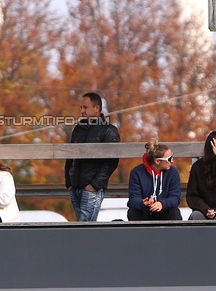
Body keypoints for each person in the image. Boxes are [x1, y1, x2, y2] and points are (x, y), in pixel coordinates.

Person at [65, 92, 121, 222]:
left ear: (97, 108)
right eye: (81, 108)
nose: (82, 111)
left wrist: (94, 185)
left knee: (86, 229)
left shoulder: (109, 130)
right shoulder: (78, 129)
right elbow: (69, 155)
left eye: (85, 107)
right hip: (76, 187)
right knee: (81, 228)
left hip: (91, 189)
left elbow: (111, 162)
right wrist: (69, 182)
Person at [127, 141, 182, 221]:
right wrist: (144, 203)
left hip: (164, 210)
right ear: (157, 161)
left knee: (174, 212)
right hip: (144, 211)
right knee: (134, 212)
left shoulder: (172, 173)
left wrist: (162, 204)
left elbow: (175, 198)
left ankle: (175, 233)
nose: (172, 161)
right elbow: (133, 199)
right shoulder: (137, 172)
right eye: (169, 159)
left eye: (172, 157)